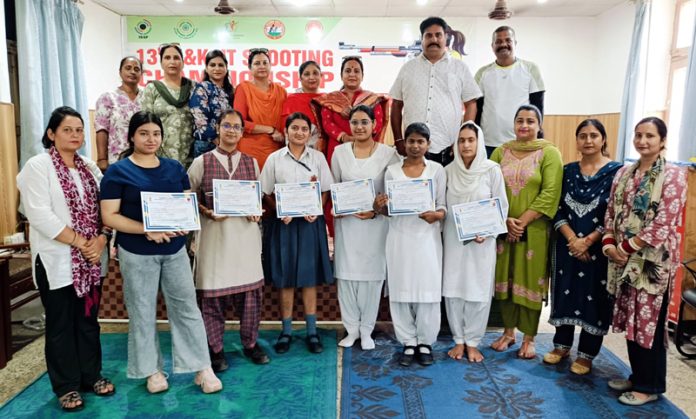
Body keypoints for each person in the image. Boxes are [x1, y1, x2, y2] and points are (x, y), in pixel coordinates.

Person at [100, 111, 222, 394]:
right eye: (144, 133)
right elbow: (109, 216)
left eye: (156, 133)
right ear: (132, 136)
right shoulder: (119, 171)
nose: (150, 139)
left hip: (174, 251)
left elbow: (183, 205)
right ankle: (152, 371)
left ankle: (201, 368)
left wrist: (183, 224)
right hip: (136, 252)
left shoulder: (174, 168)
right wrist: (146, 229)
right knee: (142, 311)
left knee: (187, 309)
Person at [17, 106, 115, 411]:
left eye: (78, 130)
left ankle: (91, 375)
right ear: (51, 134)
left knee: (88, 322)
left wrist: (100, 239)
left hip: (91, 259)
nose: (75, 135)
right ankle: (67, 386)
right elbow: (39, 214)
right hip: (56, 260)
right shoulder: (37, 167)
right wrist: (79, 241)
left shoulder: (89, 166)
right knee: (60, 325)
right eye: (67, 130)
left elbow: (106, 206)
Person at [603, 117, 687, 406]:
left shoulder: (674, 176)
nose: (642, 141)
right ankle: (637, 376)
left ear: (662, 141)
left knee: (649, 323)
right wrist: (610, 244)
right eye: (638, 135)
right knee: (633, 320)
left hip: (653, 264)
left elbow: (664, 222)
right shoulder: (624, 173)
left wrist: (626, 247)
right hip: (623, 262)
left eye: (650, 136)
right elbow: (612, 211)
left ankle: (650, 385)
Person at [187, 109, 269, 371]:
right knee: (212, 296)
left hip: (245, 237)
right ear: (218, 129)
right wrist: (205, 210)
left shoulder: (252, 162)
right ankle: (215, 349)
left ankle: (250, 343)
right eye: (227, 126)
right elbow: (187, 196)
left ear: (242, 132)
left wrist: (256, 211)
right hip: (214, 237)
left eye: (236, 127)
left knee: (250, 296)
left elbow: (254, 198)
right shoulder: (202, 162)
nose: (231, 131)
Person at [544, 119, 622, 374]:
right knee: (565, 290)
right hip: (567, 246)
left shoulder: (616, 172)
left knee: (594, 296)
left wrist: (588, 240)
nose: (588, 141)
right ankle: (561, 345)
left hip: (598, 249)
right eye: (583, 136)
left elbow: (615, 212)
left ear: (603, 140)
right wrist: (572, 240)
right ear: (577, 141)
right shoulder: (566, 171)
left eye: (594, 135)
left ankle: (587, 354)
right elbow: (556, 209)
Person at [489, 104, 563, 359]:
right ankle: (509, 332)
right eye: (520, 120)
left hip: (535, 231)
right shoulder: (500, 152)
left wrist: (520, 222)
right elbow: (486, 187)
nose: (524, 125)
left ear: (539, 125)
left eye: (530, 121)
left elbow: (551, 193)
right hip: (503, 228)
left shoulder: (549, 153)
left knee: (530, 280)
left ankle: (529, 338)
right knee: (506, 279)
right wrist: (505, 220)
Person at [259, 112, 334, 354]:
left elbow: (325, 190)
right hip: (285, 225)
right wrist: (278, 210)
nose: (299, 132)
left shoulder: (318, 158)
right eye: (295, 128)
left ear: (310, 133)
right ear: (287, 130)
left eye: (304, 129)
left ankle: (312, 332)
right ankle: (287, 331)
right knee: (285, 278)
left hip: (310, 224)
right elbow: (266, 191)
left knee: (309, 277)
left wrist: (317, 209)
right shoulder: (274, 158)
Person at [373, 122, 446, 367]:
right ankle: (408, 342)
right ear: (404, 143)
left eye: (420, 141)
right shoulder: (392, 171)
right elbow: (388, 211)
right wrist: (379, 207)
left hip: (427, 240)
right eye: (411, 141)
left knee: (427, 291)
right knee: (401, 290)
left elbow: (442, 205)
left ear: (428, 144)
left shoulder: (436, 170)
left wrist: (437, 215)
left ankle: (425, 342)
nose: (415, 146)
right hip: (399, 238)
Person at [331, 105, 400, 350]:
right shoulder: (339, 153)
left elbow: (393, 191)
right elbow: (335, 187)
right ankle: (351, 330)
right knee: (347, 277)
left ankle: (367, 330)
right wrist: (340, 208)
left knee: (371, 278)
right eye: (355, 123)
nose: (359, 127)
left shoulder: (388, 154)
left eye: (364, 122)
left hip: (375, 225)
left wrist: (376, 209)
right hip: (348, 226)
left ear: (374, 125)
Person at [443, 122, 508, 363]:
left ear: (479, 142)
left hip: (482, 242)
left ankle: (473, 342)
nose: (466, 145)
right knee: (453, 289)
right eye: (461, 140)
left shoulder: (492, 170)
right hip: (453, 240)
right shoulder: (448, 171)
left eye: (471, 139)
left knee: (477, 290)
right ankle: (458, 340)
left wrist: (488, 231)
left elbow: (500, 206)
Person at [390, 16, 481, 166]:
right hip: (414, 148)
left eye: (438, 35)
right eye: (429, 35)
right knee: (414, 189)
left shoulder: (459, 68)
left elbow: (471, 103)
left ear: (446, 38)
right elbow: (396, 104)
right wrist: (399, 139)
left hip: (449, 148)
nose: (434, 39)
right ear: (422, 39)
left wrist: (462, 138)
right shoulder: (408, 68)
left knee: (446, 189)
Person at [475, 26, 545, 157]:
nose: (503, 44)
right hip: (488, 144)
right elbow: (477, 109)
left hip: (522, 143)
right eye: (498, 41)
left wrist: (537, 138)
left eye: (508, 40)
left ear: (515, 43)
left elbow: (538, 109)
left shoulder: (530, 69)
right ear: (492, 45)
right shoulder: (482, 73)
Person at [314, 56, 389, 166]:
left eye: (356, 71)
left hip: (365, 148)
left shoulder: (372, 99)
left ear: (362, 76)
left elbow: (377, 123)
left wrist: (361, 139)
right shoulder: (331, 99)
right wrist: (344, 137)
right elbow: (327, 123)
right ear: (341, 75)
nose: (352, 74)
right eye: (348, 71)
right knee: (336, 179)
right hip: (337, 146)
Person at [138, 43, 194, 167]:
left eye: (176, 58)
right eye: (167, 58)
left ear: (183, 62)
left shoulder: (193, 88)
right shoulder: (152, 88)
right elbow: (144, 123)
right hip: (159, 154)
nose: (172, 61)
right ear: (161, 63)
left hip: (190, 155)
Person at [234, 48, 287, 170]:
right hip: (251, 149)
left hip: (277, 147)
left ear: (270, 66)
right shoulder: (243, 88)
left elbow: (285, 121)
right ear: (250, 67)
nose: (261, 66)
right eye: (257, 63)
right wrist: (270, 130)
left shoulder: (281, 91)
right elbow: (240, 123)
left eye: (265, 63)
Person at [94, 56, 142, 171]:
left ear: (141, 73)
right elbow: (101, 130)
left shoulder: (148, 97)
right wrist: (102, 159)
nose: (132, 72)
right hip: (116, 160)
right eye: (128, 68)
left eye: (136, 69)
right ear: (120, 72)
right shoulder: (108, 97)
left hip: (143, 158)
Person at [189, 49, 234, 158]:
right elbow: (199, 118)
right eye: (212, 65)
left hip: (227, 144)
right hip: (206, 144)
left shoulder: (230, 91)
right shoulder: (202, 88)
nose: (217, 68)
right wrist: (217, 140)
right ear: (207, 69)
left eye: (220, 65)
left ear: (226, 68)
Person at [281, 60, 323, 149]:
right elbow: (286, 130)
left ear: (321, 76)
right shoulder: (292, 100)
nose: (311, 77)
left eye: (315, 73)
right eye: (307, 74)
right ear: (300, 78)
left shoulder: (328, 100)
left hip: (325, 149)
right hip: (298, 149)